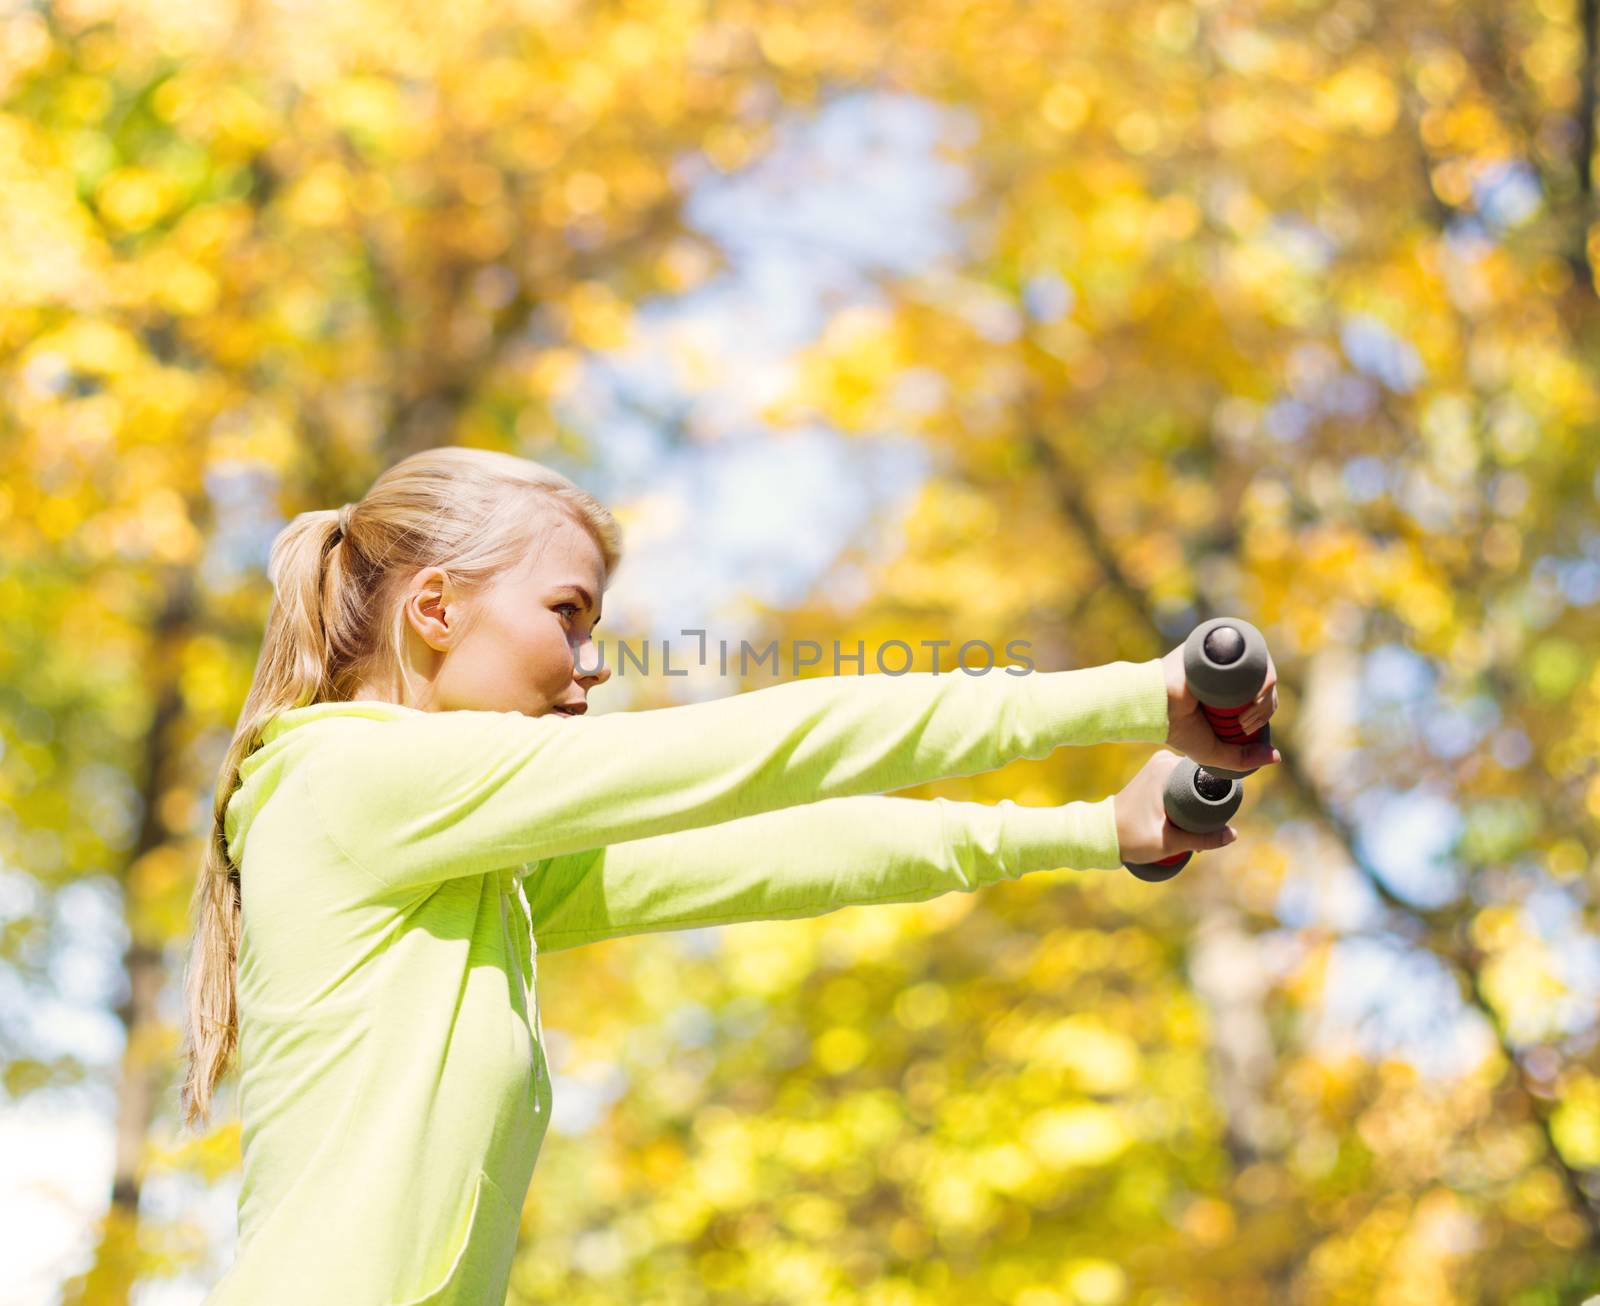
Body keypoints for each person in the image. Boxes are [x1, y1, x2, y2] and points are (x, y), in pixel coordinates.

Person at [183, 445, 1279, 1304]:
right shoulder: (349, 777)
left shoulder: (472, 867)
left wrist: (1087, 829)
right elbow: (776, 745)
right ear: (434, 609)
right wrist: (1143, 695)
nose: (595, 660)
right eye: (567, 613)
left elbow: (779, 852)